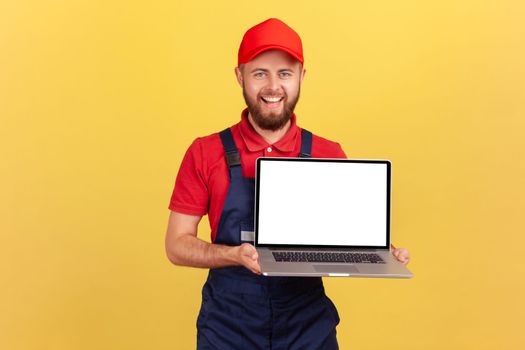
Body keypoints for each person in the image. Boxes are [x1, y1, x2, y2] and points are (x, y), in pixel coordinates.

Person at [165, 18, 410, 350]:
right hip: (227, 325)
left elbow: (346, 233)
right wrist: (234, 255)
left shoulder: (328, 153)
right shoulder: (205, 152)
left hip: (306, 325)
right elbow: (177, 245)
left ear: (301, 77)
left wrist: (383, 250)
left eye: (284, 73)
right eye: (259, 73)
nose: (272, 87)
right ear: (240, 76)